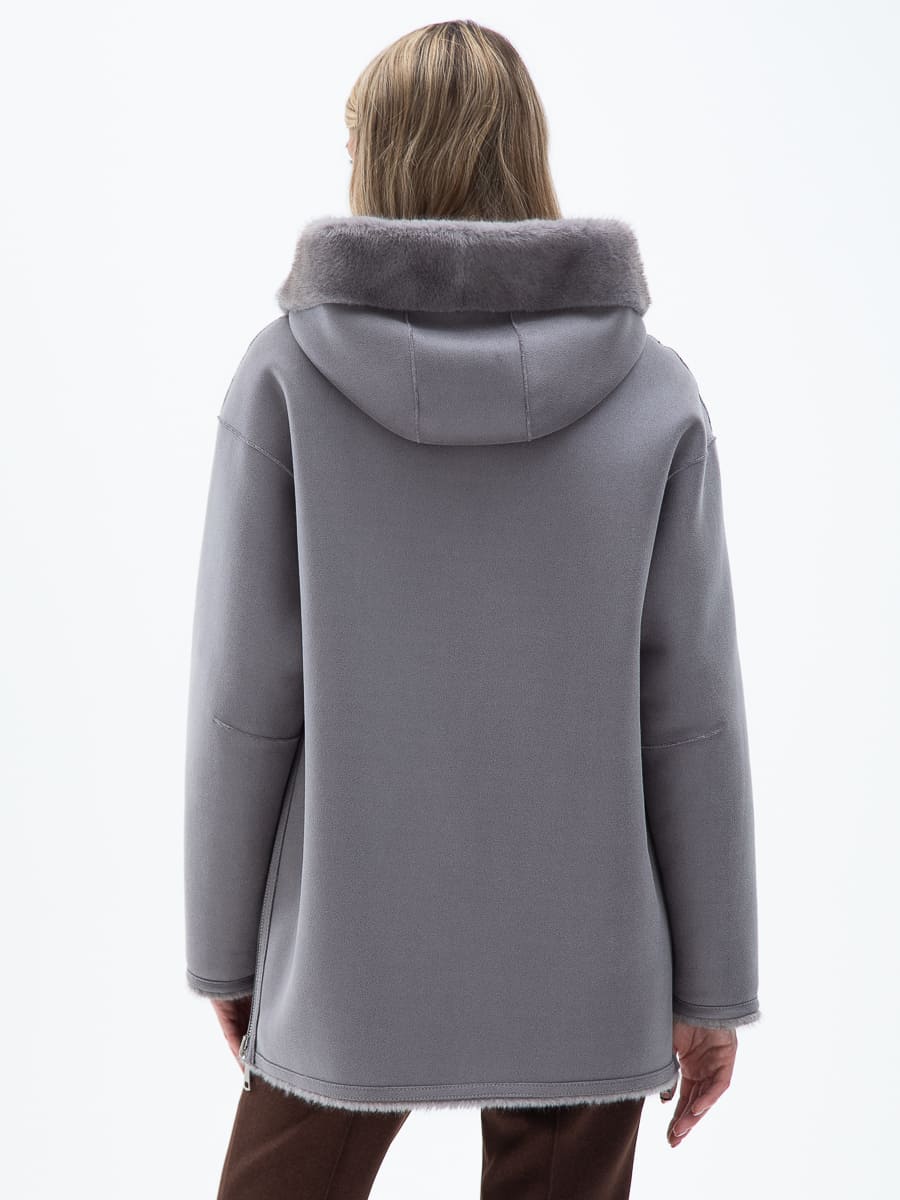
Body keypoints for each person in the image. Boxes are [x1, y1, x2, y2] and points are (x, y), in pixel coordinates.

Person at [183, 18, 762, 1200]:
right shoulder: (653, 392)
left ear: (379, 154)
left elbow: (244, 700)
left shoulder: (286, 378)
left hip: (347, 957)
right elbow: (691, 716)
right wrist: (710, 985)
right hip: (588, 961)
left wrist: (225, 951)